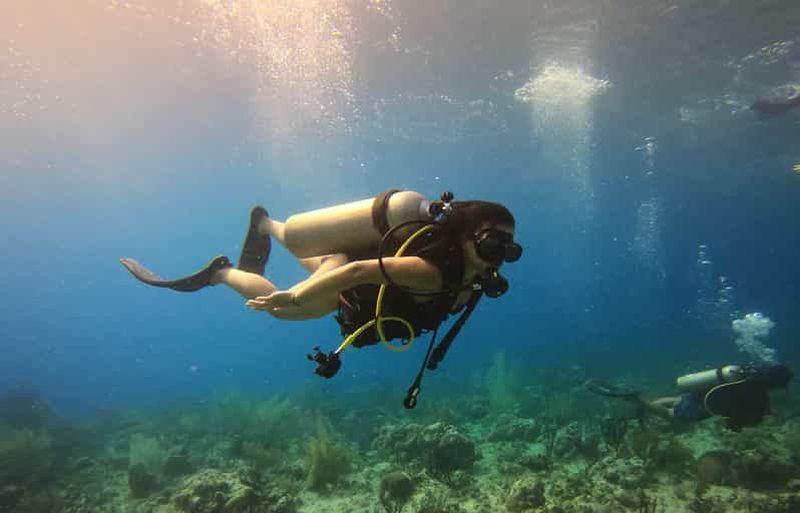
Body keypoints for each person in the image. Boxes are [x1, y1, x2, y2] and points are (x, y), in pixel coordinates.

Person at [120, 190, 522, 404]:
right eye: (491, 246)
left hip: (355, 272)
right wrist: (294, 299)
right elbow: (358, 272)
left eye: (508, 251)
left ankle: (265, 224)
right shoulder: (434, 272)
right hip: (352, 282)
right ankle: (221, 272)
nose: (498, 259)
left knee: (310, 255)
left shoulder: (472, 279)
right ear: (466, 241)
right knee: (282, 306)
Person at [585, 363, 793, 431]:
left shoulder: (746, 371)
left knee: (676, 402)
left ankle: (641, 404)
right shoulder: (761, 397)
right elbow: (742, 420)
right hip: (705, 406)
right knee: (672, 415)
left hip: (699, 391)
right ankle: (637, 400)